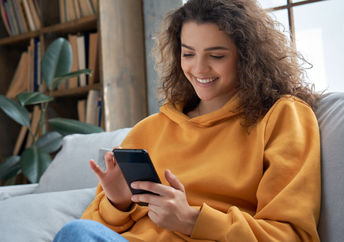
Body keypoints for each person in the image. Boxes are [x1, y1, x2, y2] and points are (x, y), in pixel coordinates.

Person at [54, 0, 321, 241]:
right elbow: (89, 230)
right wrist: (118, 203)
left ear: (247, 57)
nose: (199, 69)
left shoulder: (283, 116)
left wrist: (193, 220)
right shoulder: (149, 129)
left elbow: (292, 235)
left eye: (216, 56)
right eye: (188, 54)